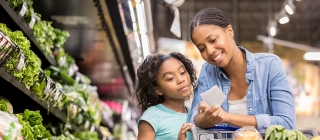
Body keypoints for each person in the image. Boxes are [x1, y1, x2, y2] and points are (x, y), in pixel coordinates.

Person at [189, 8, 297, 132]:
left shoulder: (270, 66)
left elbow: (286, 123)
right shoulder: (207, 73)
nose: (209, 51)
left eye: (213, 40)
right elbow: (194, 120)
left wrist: (227, 117)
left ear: (229, 31)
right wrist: (208, 117)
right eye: (202, 48)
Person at [135, 52, 197, 140]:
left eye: (182, 72)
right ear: (158, 89)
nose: (181, 80)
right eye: (170, 78)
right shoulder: (152, 117)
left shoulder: (193, 115)